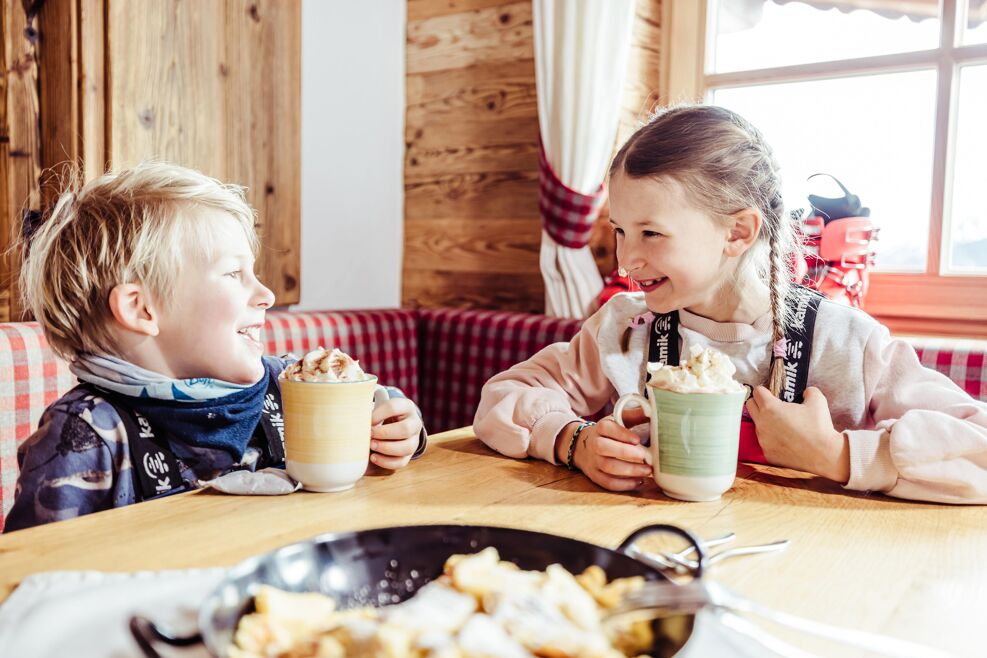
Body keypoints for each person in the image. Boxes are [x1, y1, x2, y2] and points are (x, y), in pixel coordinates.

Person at [474, 105, 987, 504]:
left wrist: (838, 455)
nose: (628, 258)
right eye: (620, 231)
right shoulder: (625, 326)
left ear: (737, 231)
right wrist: (572, 439)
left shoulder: (850, 345)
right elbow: (506, 394)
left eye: (651, 232)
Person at [5, 162, 424, 531]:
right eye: (233, 274)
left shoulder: (289, 384)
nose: (266, 294)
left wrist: (400, 430)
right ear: (142, 309)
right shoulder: (88, 433)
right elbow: (34, 577)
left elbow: (379, 405)